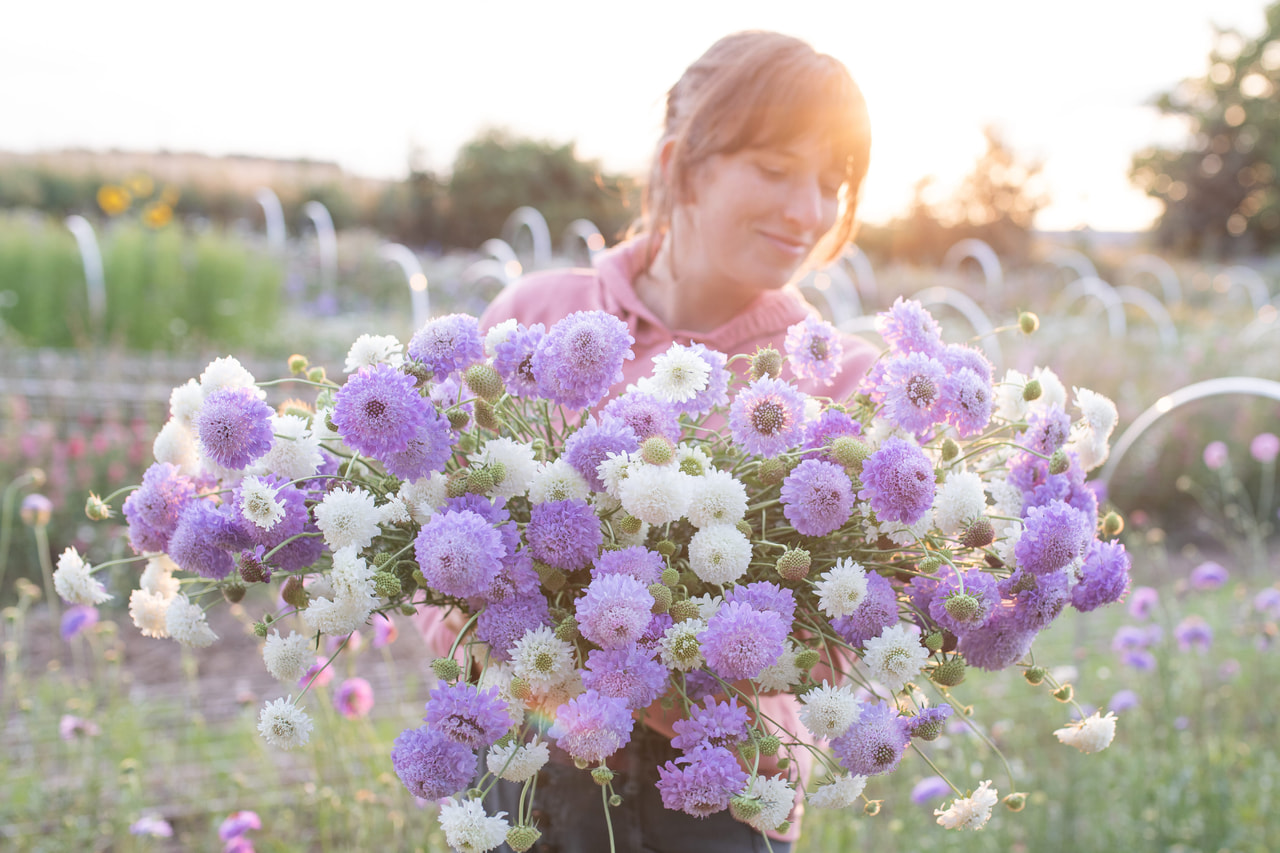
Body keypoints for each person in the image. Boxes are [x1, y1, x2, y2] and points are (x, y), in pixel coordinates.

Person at [417, 30, 877, 853]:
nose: (809, 211)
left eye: (830, 183)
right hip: (524, 782)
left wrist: (644, 671)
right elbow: (432, 551)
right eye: (777, 169)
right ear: (681, 164)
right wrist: (534, 668)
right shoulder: (535, 319)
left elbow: (832, 647)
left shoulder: (838, 382)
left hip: (714, 805)